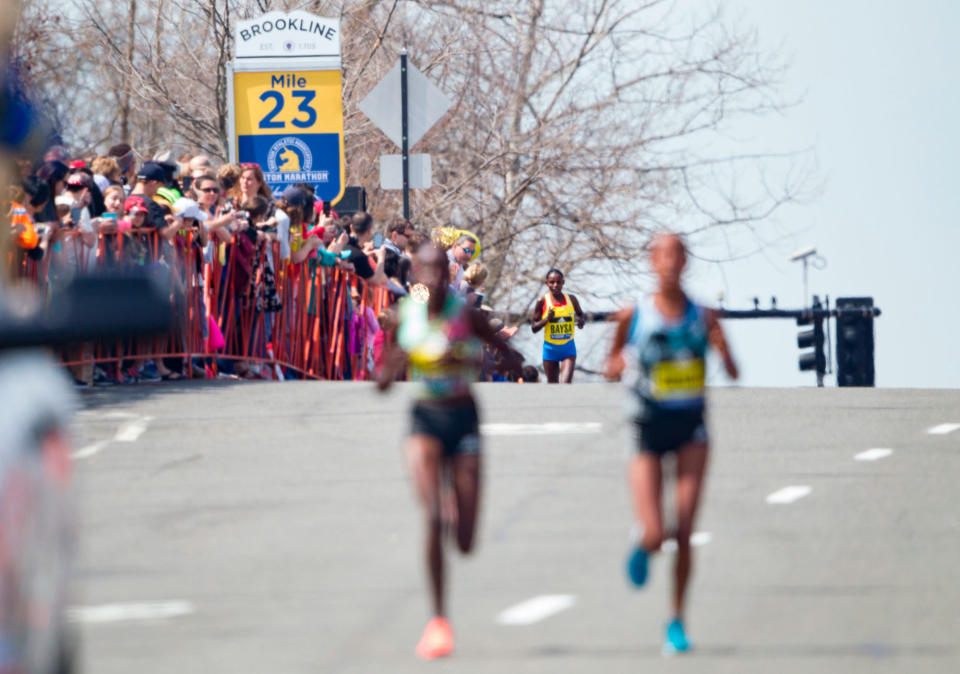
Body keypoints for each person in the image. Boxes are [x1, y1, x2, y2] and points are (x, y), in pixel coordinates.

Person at [377, 243, 520, 660]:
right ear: (417, 273)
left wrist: (492, 358)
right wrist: (396, 359)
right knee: (433, 518)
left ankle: (460, 508)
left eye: (442, 269)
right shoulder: (413, 307)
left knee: (465, 540)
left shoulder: (464, 313)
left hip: (464, 417)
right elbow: (384, 375)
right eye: (426, 270)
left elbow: (508, 357)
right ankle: (438, 621)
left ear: (450, 272)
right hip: (425, 418)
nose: (435, 278)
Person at [604, 231, 738, 655]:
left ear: (685, 263)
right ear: (651, 262)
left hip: (691, 427)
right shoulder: (634, 315)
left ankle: (676, 621)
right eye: (661, 255)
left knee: (683, 529)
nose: (668, 263)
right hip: (646, 424)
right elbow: (610, 365)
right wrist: (618, 364)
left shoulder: (704, 316)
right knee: (658, 532)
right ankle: (642, 544)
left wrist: (720, 349)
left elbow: (733, 372)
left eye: (676, 256)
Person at [530, 269, 585, 383]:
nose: (555, 285)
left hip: (568, 349)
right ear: (547, 283)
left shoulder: (572, 299)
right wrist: (546, 319)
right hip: (550, 350)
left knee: (565, 385)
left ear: (563, 283)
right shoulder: (542, 301)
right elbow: (534, 328)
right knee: (553, 387)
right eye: (552, 282)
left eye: (558, 282)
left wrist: (580, 321)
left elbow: (580, 314)